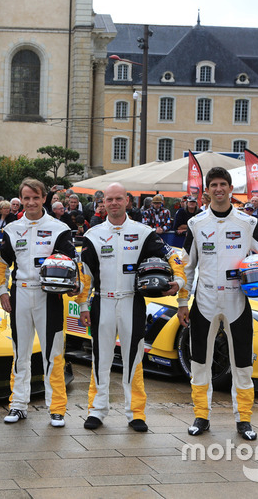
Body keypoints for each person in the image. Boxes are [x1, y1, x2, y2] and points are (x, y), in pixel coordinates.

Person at [177, 167, 258, 441]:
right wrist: (182, 302)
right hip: (204, 302)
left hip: (236, 301)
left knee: (242, 364)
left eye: (223, 184)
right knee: (199, 363)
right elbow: (186, 266)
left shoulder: (247, 223)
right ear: (206, 190)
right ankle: (201, 416)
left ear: (230, 188)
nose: (218, 189)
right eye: (213, 185)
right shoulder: (196, 224)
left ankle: (244, 420)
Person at [78, 182, 185, 432]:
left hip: (132, 301)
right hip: (102, 301)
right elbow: (86, 274)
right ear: (102, 203)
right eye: (108, 199)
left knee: (134, 359)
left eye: (118, 199)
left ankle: (135, 413)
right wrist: (83, 304)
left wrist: (178, 281)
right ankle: (97, 410)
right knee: (100, 358)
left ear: (128, 200)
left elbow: (174, 257)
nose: (113, 203)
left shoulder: (144, 232)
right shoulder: (93, 234)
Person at [0, 178, 76, 427]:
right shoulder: (13, 228)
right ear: (21, 200)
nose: (31, 202)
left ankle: (56, 408)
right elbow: (1, 264)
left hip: (50, 296)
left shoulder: (58, 228)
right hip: (20, 295)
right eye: (26, 198)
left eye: (36, 197)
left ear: (44, 198)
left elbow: (71, 262)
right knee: (20, 353)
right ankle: (18, 405)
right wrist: (2, 291)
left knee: (53, 354)